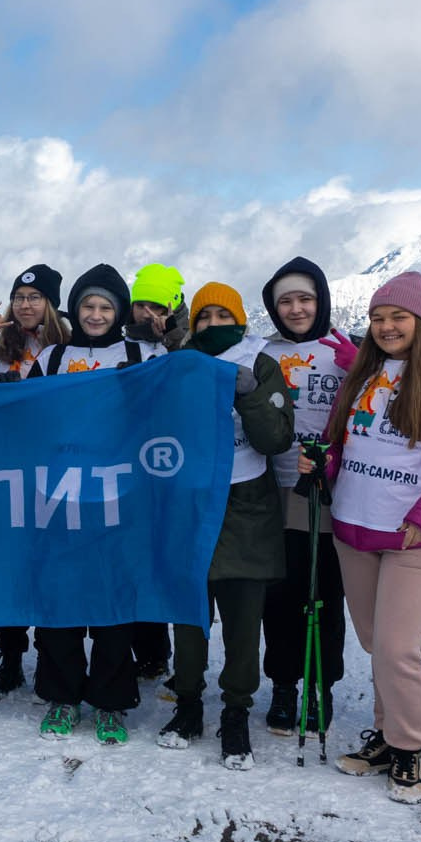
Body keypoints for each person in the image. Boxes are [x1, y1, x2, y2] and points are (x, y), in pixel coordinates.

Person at [301, 271, 421, 803]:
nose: (386, 327)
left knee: (395, 648)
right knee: (374, 643)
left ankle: (408, 749)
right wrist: (322, 461)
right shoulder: (361, 376)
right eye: (378, 318)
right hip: (354, 528)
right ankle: (385, 738)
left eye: (398, 317)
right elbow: (341, 444)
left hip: (415, 537)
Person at [156, 282, 293, 769]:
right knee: (190, 616)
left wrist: (251, 396)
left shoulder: (259, 364)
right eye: (204, 317)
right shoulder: (181, 363)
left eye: (222, 315)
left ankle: (236, 710)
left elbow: (277, 438)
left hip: (246, 501)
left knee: (242, 619)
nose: (213, 324)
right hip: (191, 500)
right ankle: (189, 705)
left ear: (238, 318)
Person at [24, 265, 155, 742]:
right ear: (75, 310)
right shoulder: (54, 356)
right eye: (87, 306)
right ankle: (62, 696)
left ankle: (110, 701)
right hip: (58, 496)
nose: (96, 314)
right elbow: (24, 411)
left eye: (105, 306)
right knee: (59, 600)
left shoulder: (140, 352)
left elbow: (168, 407)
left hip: (119, 496)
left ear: (118, 311)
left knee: (114, 603)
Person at [257, 258, 354, 737]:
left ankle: (321, 686)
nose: (296, 309)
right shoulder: (261, 352)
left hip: (327, 491)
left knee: (322, 595)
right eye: (286, 301)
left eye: (305, 299)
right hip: (272, 487)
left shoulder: (346, 350)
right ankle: (282, 684)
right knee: (279, 596)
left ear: (321, 301)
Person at [0, 262, 66, 701]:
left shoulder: (67, 343)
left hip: (52, 470)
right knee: (8, 564)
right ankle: (11, 656)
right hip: (5, 467)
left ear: (50, 303)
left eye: (34, 297)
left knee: (48, 565)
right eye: (19, 297)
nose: (26, 304)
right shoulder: (1, 343)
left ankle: (52, 656)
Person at [125, 262, 189, 682]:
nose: (147, 313)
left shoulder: (187, 342)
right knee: (132, 560)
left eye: (156, 305)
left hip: (172, 469)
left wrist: (175, 340)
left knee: (164, 563)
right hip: (129, 468)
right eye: (140, 305)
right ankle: (145, 650)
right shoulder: (122, 342)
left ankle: (164, 653)